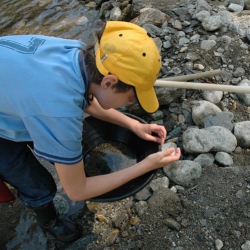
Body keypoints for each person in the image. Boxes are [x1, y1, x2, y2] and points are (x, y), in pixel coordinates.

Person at [0, 21, 181, 243]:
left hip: (13, 95)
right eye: (130, 97)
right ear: (110, 81)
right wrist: (147, 165)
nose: (128, 103)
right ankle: (50, 222)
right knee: (38, 185)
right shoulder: (59, 111)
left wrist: (135, 125)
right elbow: (77, 191)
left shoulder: (79, 53)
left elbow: (85, 98)